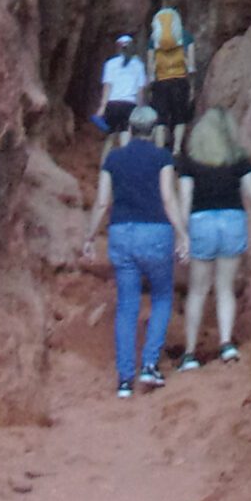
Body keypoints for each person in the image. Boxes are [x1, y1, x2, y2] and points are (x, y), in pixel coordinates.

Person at [81, 103, 190, 396]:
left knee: (127, 305)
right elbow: (168, 198)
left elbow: (103, 202)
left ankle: (125, 379)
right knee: (162, 296)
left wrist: (90, 237)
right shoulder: (162, 157)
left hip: (121, 233)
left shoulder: (114, 159)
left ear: (129, 129)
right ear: (154, 131)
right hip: (155, 232)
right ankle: (150, 365)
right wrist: (182, 234)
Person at [175, 106, 251, 367]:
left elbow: (185, 198)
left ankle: (189, 353)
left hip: (202, 222)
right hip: (233, 220)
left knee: (198, 290)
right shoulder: (239, 159)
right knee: (225, 288)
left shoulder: (189, 162)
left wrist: (182, 234)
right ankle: (226, 345)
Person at [146, 6, 195, 151]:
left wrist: (150, 84)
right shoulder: (186, 36)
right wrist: (192, 86)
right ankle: (177, 149)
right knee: (180, 116)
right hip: (180, 80)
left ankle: (160, 148)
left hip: (161, 81)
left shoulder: (154, 39)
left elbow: (150, 65)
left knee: (160, 118)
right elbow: (191, 66)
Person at [96, 31, 145, 141]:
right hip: (130, 104)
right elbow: (140, 90)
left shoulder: (110, 64)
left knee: (109, 137)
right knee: (126, 134)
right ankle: (126, 157)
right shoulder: (139, 65)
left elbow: (107, 87)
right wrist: (140, 109)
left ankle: (106, 158)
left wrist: (102, 107)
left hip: (113, 104)